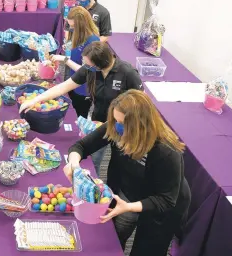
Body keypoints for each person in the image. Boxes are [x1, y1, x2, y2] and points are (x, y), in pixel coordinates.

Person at [64, 90, 191, 256]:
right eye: (116, 120)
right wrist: (73, 165)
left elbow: (166, 200)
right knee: (115, 239)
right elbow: (81, 146)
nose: (117, 127)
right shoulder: (117, 129)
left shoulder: (166, 151)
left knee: (147, 252)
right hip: (128, 192)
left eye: (122, 123)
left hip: (163, 202)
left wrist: (129, 207)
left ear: (140, 125)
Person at [19, 41, 142, 175]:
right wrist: (35, 100)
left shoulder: (127, 73)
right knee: (95, 157)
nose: (86, 67)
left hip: (124, 126)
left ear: (100, 63)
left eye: (89, 65)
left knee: (119, 164)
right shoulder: (90, 70)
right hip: (98, 124)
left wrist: (123, 125)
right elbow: (63, 87)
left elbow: (142, 105)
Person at [53, 6, 100, 118]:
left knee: (79, 115)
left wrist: (64, 59)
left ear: (82, 25)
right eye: (70, 25)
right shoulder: (78, 34)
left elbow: (85, 70)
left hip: (84, 88)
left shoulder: (93, 41)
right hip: (73, 80)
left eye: (74, 26)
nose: (72, 28)